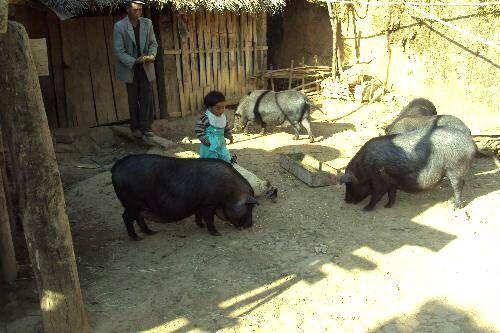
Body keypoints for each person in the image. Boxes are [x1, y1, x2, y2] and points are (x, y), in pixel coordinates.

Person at [113, 0, 158, 138]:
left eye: (140, 9)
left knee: (147, 96)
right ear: (127, 9)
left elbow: (153, 43)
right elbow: (119, 51)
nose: (138, 12)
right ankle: (135, 127)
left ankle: (146, 127)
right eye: (135, 9)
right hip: (130, 67)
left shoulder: (147, 23)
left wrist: (151, 55)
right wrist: (134, 60)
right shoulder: (120, 26)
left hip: (145, 66)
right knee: (133, 98)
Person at [195, 91, 236, 164]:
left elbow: (226, 129)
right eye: (218, 108)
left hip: (221, 144)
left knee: (226, 158)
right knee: (211, 163)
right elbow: (199, 130)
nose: (221, 111)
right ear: (210, 107)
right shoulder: (206, 118)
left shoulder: (223, 117)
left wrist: (229, 136)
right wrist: (205, 140)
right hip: (210, 146)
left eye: (223, 107)